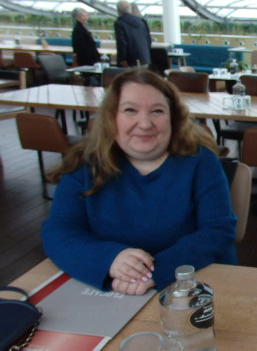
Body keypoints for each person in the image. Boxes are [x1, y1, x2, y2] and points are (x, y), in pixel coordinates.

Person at [41, 69, 237, 296]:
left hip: (193, 283)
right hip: (113, 288)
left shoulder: (201, 161)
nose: (144, 124)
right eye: (130, 110)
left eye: (157, 111)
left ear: (173, 118)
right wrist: (110, 259)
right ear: (111, 117)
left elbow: (217, 230)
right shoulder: (84, 164)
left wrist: (154, 272)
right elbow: (59, 231)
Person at [114, 0, 151, 68]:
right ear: (130, 9)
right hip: (144, 59)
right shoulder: (142, 21)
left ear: (118, 11)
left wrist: (122, 59)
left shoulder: (119, 23)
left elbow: (121, 43)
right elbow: (148, 40)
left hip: (129, 61)